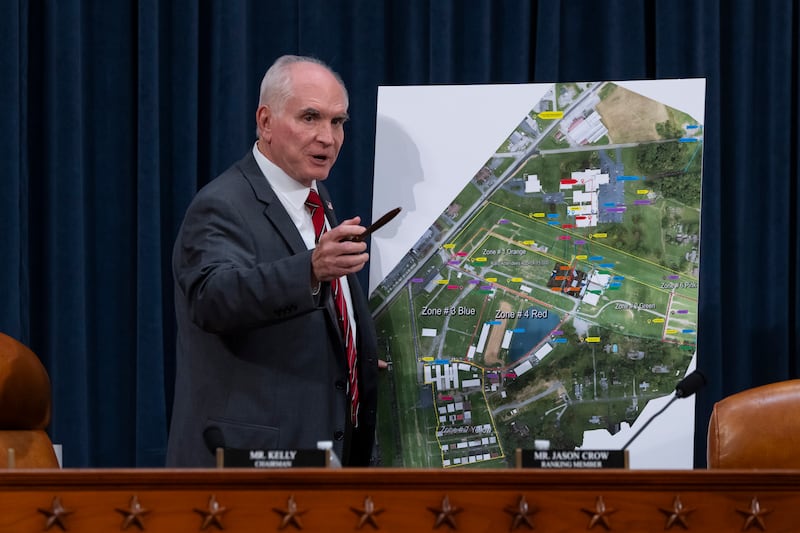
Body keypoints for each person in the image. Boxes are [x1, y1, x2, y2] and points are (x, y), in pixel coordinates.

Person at [166, 55, 379, 467]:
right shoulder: (222, 204)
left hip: (322, 463)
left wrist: (353, 358)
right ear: (265, 122)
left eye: (338, 122)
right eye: (311, 117)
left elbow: (296, 327)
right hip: (248, 473)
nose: (327, 137)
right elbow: (212, 299)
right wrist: (312, 268)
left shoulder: (317, 203)